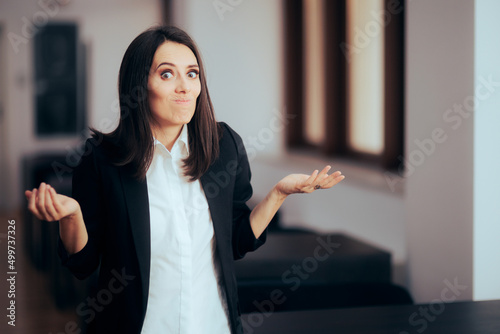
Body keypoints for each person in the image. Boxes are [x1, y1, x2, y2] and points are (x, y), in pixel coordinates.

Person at [25, 26, 345, 334]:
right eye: (167, 74)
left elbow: (237, 241)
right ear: (139, 85)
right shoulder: (102, 159)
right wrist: (72, 216)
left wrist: (279, 192)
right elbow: (83, 265)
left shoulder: (223, 147)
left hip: (213, 325)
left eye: (192, 74)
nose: (185, 87)